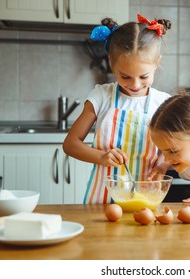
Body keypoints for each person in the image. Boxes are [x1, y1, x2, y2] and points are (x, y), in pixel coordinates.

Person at [63, 14, 172, 204]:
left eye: (143, 76)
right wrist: (101, 157)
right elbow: (70, 144)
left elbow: (173, 148)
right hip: (100, 201)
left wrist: (162, 165)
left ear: (156, 63)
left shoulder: (164, 104)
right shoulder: (100, 97)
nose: (135, 84)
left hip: (145, 200)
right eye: (125, 76)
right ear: (112, 62)